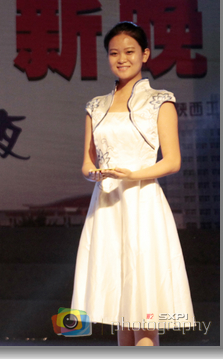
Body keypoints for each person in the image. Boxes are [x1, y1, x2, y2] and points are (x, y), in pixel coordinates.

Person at [70, 21, 194, 346]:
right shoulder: (95, 106)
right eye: (114, 53)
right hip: (107, 205)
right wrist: (95, 174)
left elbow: (172, 161)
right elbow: (87, 163)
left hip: (142, 201)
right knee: (120, 307)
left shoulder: (160, 101)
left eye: (129, 52)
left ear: (145, 54)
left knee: (143, 306)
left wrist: (131, 175)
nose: (121, 59)